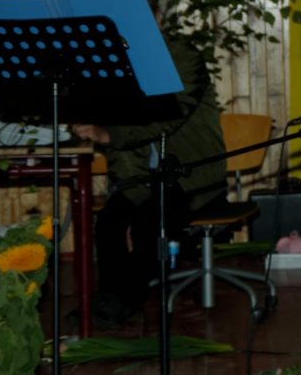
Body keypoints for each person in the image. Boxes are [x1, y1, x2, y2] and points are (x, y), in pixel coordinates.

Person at [73, 34, 226, 324]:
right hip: (142, 177)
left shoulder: (182, 55)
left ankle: (126, 302)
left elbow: (168, 114)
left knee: (148, 222)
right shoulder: (114, 60)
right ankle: (110, 302)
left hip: (190, 175)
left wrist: (108, 134)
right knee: (109, 222)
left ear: (156, 18)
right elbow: (121, 135)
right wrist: (122, 187)